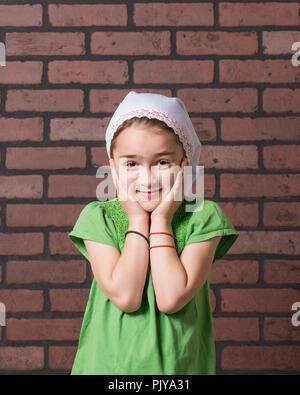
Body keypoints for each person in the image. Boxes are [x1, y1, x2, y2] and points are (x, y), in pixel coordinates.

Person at [68, 91, 239, 375]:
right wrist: (137, 219)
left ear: (184, 165)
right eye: (131, 163)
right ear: (113, 167)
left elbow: (171, 299)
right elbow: (127, 296)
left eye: (162, 162)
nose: (147, 178)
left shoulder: (203, 217)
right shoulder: (99, 218)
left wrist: (160, 219)